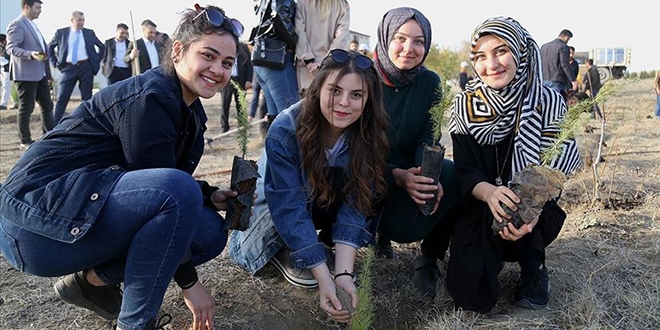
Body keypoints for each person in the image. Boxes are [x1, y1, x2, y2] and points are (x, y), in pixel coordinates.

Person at [0, 5, 245, 330]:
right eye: (208, 56)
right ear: (177, 50)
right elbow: (166, 189)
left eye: (227, 63)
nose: (218, 69)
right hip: (32, 225)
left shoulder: (189, 111)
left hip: (77, 210)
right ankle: (135, 324)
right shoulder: (151, 97)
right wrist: (190, 284)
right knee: (180, 196)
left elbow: (155, 183)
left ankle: (91, 283)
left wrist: (210, 196)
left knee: (208, 233)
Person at [229, 49, 389, 324]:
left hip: (311, 204)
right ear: (318, 89)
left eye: (356, 95)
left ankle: (310, 251)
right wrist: (323, 278)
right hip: (269, 217)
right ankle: (282, 251)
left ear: (368, 100)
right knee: (307, 267)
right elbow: (288, 206)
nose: (343, 103)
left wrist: (342, 275)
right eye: (335, 91)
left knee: (370, 185)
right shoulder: (286, 128)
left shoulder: (368, 132)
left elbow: (357, 201)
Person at [446, 16, 582, 313]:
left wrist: (529, 213)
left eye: (501, 51)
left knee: (537, 217)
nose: (491, 64)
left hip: (532, 208)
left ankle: (534, 266)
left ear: (521, 52)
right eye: (480, 56)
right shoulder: (466, 106)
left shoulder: (548, 102)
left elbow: (555, 168)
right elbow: (465, 169)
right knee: (469, 295)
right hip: (483, 205)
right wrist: (491, 194)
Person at [371, 7, 460, 299]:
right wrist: (395, 175)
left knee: (451, 176)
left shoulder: (430, 82)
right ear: (385, 37)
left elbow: (428, 137)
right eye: (400, 38)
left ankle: (429, 258)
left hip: (410, 173)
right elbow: (350, 151)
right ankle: (369, 238)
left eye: (419, 41)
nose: (409, 49)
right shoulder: (363, 77)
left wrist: (424, 176)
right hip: (367, 180)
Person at [5, 0, 55, 148]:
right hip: (25, 74)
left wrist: (49, 74)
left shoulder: (34, 26)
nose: (40, 10)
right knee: (26, 107)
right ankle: (25, 140)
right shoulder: (17, 24)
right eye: (37, 7)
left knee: (47, 105)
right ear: (27, 7)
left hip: (40, 74)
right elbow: (11, 48)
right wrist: (30, 54)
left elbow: (43, 51)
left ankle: (49, 136)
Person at [48, 10, 105, 123]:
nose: (82, 22)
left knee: (87, 98)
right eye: (79, 20)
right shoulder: (61, 33)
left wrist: (95, 61)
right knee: (62, 97)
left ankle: (89, 123)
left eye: (83, 20)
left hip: (86, 67)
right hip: (68, 68)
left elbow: (102, 47)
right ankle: (55, 125)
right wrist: (55, 62)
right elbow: (50, 47)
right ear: (72, 20)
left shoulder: (89, 33)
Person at [251, 0, 300, 121]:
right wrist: (295, 41)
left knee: (275, 116)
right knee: (292, 115)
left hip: (262, 60)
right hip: (278, 62)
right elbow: (282, 22)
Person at [294, 0, 351, 96]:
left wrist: (309, 61)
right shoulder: (342, 5)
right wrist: (327, 63)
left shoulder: (302, 3)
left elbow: (299, 32)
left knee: (304, 105)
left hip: (306, 69)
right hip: (330, 69)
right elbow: (341, 38)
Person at [219, 40, 252, 132]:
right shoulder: (223, 44)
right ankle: (224, 127)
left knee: (240, 104)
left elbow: (249, 64)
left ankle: (241, 126)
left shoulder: (243, 47)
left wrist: (249, 80)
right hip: (227, 79)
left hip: (240, 79)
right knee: (225, 104)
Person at [540, 29, 578, 96]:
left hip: (543, 80)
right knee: (556, 103)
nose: (567, 41)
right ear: (566, 37)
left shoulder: (543, 47)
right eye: (568, 39)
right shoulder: (563, 47)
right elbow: (565, 64)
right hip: (557, 81)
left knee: (546, 103)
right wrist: (573, 80)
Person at [0, 33, 12, 110]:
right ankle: (15, 102)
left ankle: (3, 104)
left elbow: (11, 57)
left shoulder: (9, 47)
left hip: (8, 69)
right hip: (4, 69)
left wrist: (3, 55)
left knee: (6, 86)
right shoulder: (2, 48)